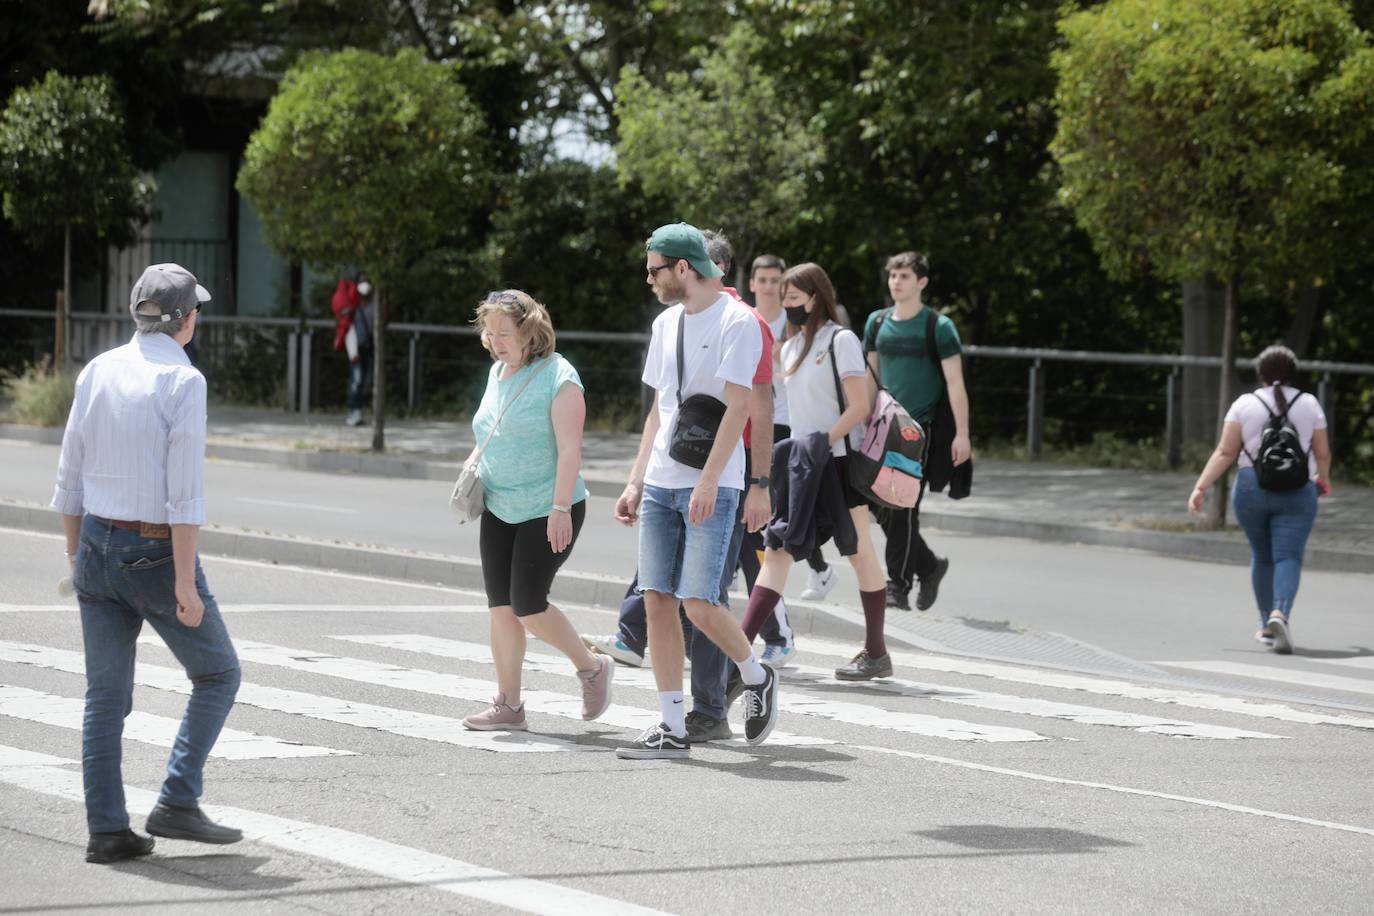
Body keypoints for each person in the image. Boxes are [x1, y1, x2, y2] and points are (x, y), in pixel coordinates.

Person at [52, 263, 243, 865]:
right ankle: (177, 800)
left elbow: (69, 477)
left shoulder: (98, 369)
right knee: (218, 674)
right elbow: (184, 495)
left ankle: (107, 830)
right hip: (154, 550)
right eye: (197, 311)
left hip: (95, 545)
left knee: (104, 698)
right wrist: (184, 582)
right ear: (186, 319)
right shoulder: (183, 383)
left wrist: (77, 555)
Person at [581, 231, 775, 745]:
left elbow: (741, 406)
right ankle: (670, 723)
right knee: (656, 601)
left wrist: (713, 480)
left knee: (699, 602)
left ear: (685, 268)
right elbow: (659, 409)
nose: (649, 279)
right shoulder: (665, 323)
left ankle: (756, 674)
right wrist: (635, 479)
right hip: (662, 482)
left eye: (655, 270)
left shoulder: (740, 322)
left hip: (715, 482)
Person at [461, 289, 614, 730]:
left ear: (530, 331)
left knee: (528, 604)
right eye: (489, 333)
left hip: (548, 506)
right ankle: (509, 706)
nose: (495, 341)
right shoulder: (497, 373)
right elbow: (495, 426)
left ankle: (591, 666)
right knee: (501, 608)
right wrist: (474, 458)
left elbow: (570, 451)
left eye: (504, 333)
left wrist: (560, 507)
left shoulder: (559, 376)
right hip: (499, 504)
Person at [738, 263, 893, 680]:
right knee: (778, 550)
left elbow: (860, 406)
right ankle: (738, 652)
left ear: (815, 297)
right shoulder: (788, 348)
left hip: (837, 463)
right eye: (783, 299)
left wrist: (823, 444)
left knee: (860, 555)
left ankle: (876, 652)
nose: (786, 305)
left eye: (793, 299)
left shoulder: (840, 340)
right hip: (803, 463)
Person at [1188, 345, 1331, 654]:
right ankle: (1281, 612)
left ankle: (1266, 624)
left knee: (1262, 556)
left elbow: (1226, 452)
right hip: (1297, 488)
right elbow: (1321, 453)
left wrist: (1201, 487)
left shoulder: (1244, 404)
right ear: (1293, 373)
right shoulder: (1309, 404)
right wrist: (1324, 478)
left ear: (1260, 374)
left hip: (1252, 486)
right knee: (1288, 556)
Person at [863, 251, 971, 611]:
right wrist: (862, 422)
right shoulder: (876, 323)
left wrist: (962, 434)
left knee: (903, 506)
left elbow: (956, 383)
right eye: (893, 275)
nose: (897, 282)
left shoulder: (938, 327)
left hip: (919, 431)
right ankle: (928, 566)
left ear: (921, 282)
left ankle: (898, 586)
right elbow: (869, 376)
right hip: (882, 428)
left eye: (905, 276)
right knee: (875, 502)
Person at [750, 253, 838, 608]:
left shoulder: (793, 324)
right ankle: (812, 567)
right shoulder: (747, 319)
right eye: (764, 280)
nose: (770, 287)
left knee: (782, 505)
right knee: (769, 505)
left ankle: (809, 567)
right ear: (753, 283)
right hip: (757, 419)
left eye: (776, 280)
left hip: (788, 420)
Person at [338, 275, 375, 427]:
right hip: (355, 348)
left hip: (368, 347)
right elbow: (343, 322)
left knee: (364, 381)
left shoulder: (374, 306)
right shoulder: (353, 306)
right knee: (356, 380)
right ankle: (355, 411)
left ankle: (358, 410)